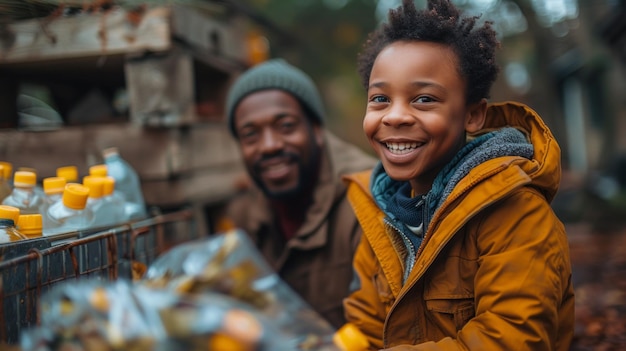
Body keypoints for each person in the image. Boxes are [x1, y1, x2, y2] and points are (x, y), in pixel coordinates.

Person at [341, 0, 575, 350]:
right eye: (380, 99)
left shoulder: (516, 213)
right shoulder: (381, 214)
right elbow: (366, 327)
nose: (395, 116)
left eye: (423, 99)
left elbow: (512, 337)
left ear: (472, 116)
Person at [217, 58, 377, 328]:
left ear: (316, 130)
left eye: (286, 126)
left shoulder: (367, 200)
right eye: (250, 134)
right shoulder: (242, 213)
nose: (269, 146)